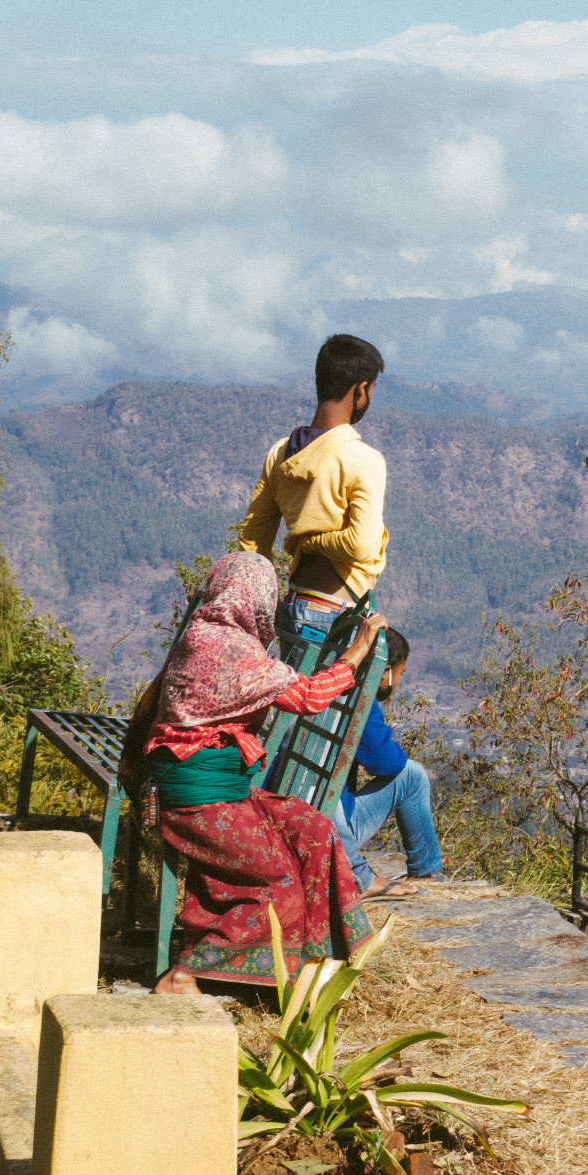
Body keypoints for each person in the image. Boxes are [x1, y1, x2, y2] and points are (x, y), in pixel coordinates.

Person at [135, 551, 386, 996]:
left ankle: (313, 959)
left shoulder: (201, 632)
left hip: (217, 789)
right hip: (196, 800)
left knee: (312, 829)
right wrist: (357, 652)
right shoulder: (233, 650)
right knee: (279, 878)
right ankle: (186, 973)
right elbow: (309, 696)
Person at [237, 333, 388, 646]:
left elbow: (253, 540)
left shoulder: (280, 453)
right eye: (371, 389)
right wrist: (308, 541)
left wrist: (263, 606)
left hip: (293, 606)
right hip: (337, 614)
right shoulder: (363, 459)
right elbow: (362, 546)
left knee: (293, 696)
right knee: (330, 695)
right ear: (360, 390)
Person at [331, 627, 445, 897]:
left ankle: (426, 871)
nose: (397, 683)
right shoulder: (359, 697)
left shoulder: (329, 682)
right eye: (400, 674)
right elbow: (385, 762)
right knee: (413, 777)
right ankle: (425, 873)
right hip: (333, 830)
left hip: (311, 814)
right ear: (385, 671)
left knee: (411, 773)